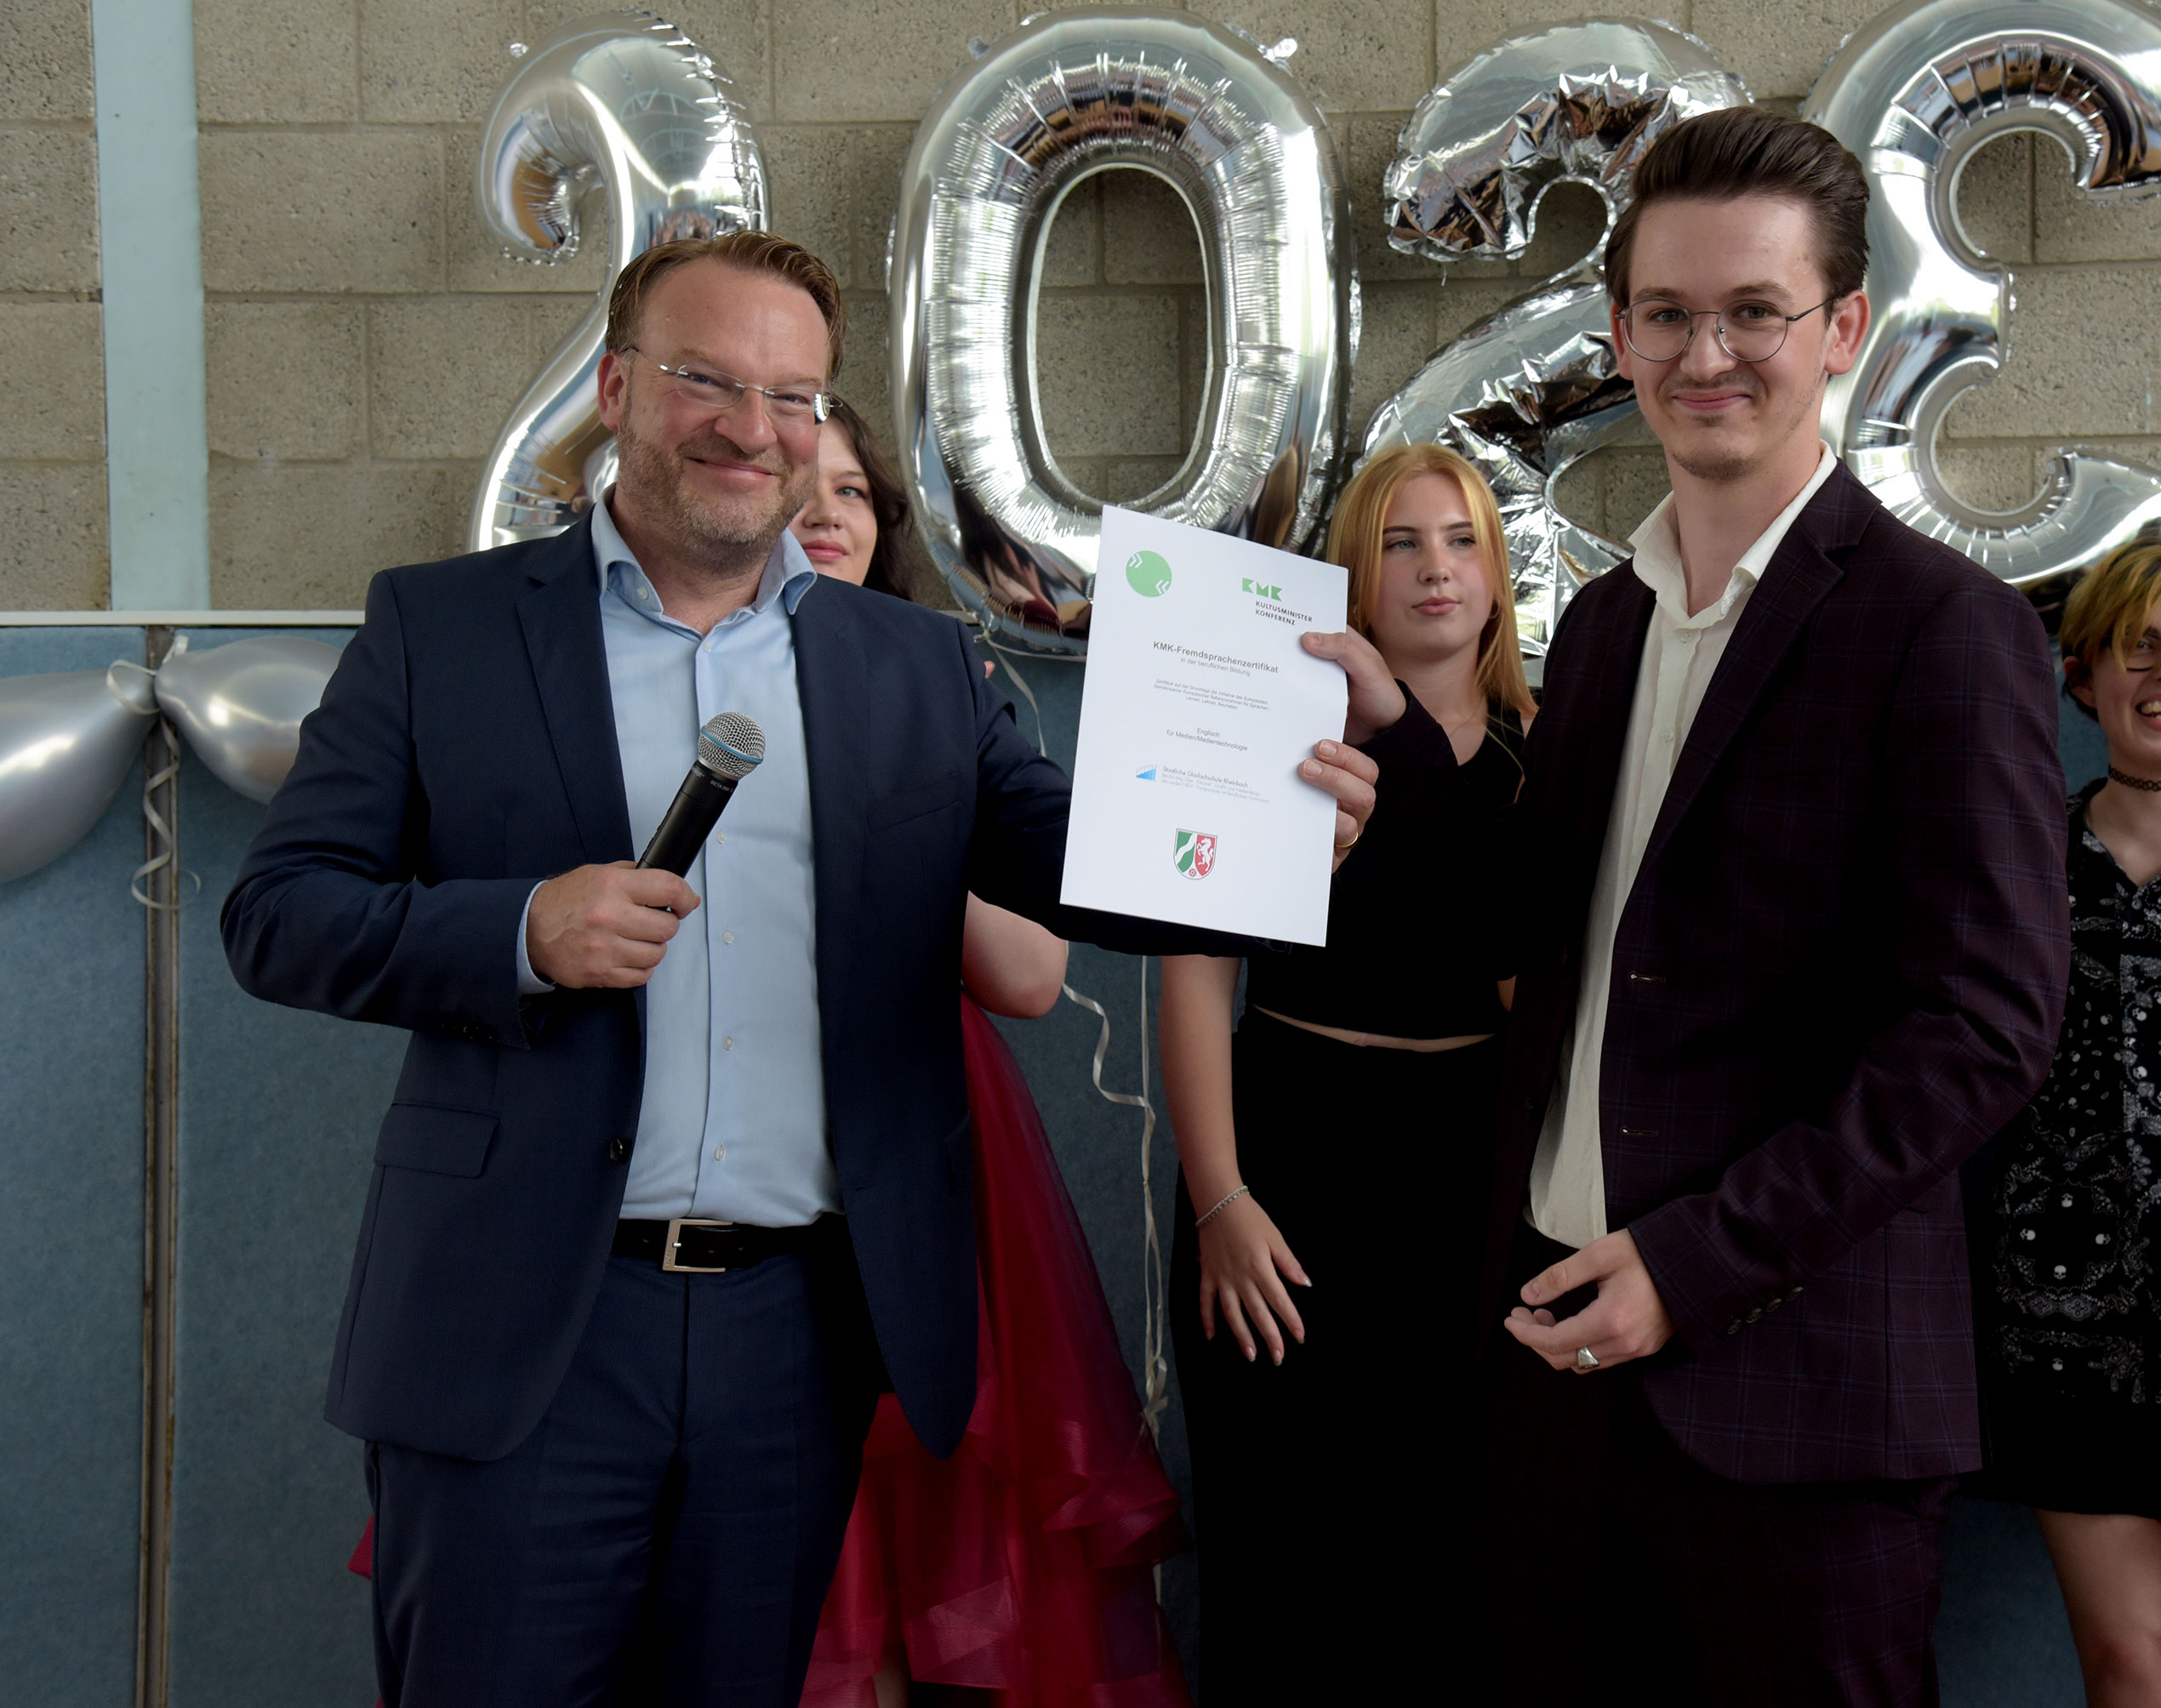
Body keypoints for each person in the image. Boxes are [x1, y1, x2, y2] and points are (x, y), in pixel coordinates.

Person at [220, 230, 1379, 1707]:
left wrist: (1275, 835)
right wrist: (518, 931)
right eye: (706, 379)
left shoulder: (911, 663)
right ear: (617, 387)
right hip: (526, 1327)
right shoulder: (441, 629)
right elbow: (281, 912)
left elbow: (1078, 857)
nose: (750, 428)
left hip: (793, 1338)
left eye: (791, 397)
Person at [1340, 106, 2070, 1703]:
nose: (1706, 353)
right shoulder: (1606, 623)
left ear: (1844, 330)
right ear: (1619, 336)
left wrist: (1698, 1261)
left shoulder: (1943, 628)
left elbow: (1985, 1031)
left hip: (1797, 1402)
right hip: (1550, 1369)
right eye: (1667, 314)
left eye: (1755, 312)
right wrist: (1392, 775)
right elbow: (1543, 928)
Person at [785, 404, 1189, 1707]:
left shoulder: (941, 686)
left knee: (933, 1550)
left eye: (855, 492)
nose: (827, 512)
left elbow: (1031, 975)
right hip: (750, 1159)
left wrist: (890, 828)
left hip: (922, 1148)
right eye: (798, 485)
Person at [1159, 443, 1535, 1705]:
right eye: (1400, 542)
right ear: (1353, 576)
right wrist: (1218, 1197)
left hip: (1468, 1170)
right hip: (1284, 1153)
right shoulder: (1279, 739)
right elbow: (1195, 973)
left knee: (1447, 1556)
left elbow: (1529, 986)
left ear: (1498, 572)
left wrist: (1414, 760)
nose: (1436, 569)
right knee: (1281, 1547)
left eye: (1463, 540)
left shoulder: (1551, 757)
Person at [1967, 542, 2161, 1707]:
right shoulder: (2022, 860)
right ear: (2083, 677)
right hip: (2062, 1324)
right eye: (2137, 646)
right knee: (2131, 1667)